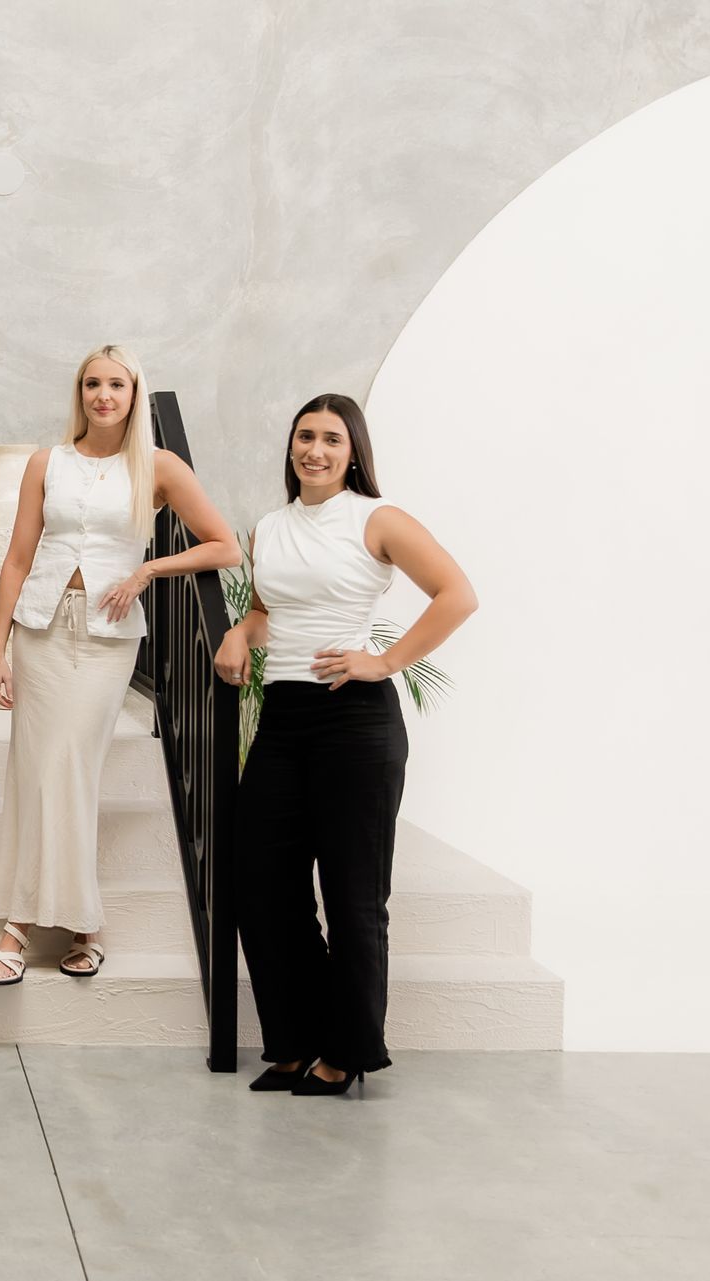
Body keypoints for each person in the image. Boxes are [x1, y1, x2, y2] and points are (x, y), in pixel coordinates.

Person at [213, 393, 476, 1096]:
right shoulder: (270, 526)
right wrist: (241, 630)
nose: (316, 450)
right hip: (285, 716)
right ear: (291, 445)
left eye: (332, 438)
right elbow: (273, 609)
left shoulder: (377, 518)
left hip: (356, 721)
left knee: (354, 896)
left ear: (353, 450)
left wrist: (384, 662)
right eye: (306, 436)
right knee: (265, 885)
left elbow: (456, 592)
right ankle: (295, 1043)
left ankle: (348, 1050)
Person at [0, 345, 238, 984]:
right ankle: (26, 923)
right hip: (39, 628)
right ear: (80, 393)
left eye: (116, 385)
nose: (103, 395)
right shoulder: (48, 462)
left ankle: (73, 921)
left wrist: (148, 569)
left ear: (133, 394)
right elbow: (16, 558)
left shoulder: (159, 466)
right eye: (92, 384)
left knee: (70, 767)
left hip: (107, 638)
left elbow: (224, 545)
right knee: (32, 768)